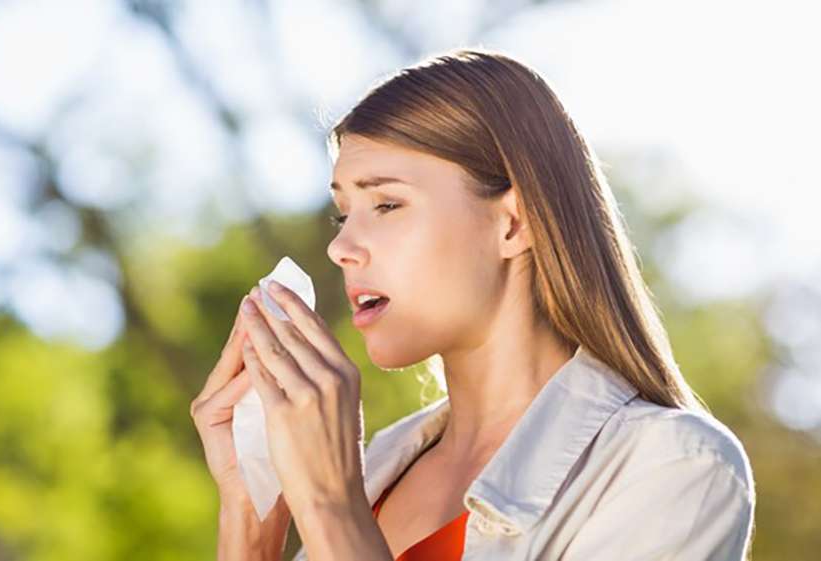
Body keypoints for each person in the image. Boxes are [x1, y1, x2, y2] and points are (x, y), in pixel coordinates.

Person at [190, 47, 756, 561]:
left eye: (386, 205)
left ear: (513, 224)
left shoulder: (675, 468)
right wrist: (252, 515)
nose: (340, 248)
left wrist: (330, 508)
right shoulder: (375, 470)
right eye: (343, 215)